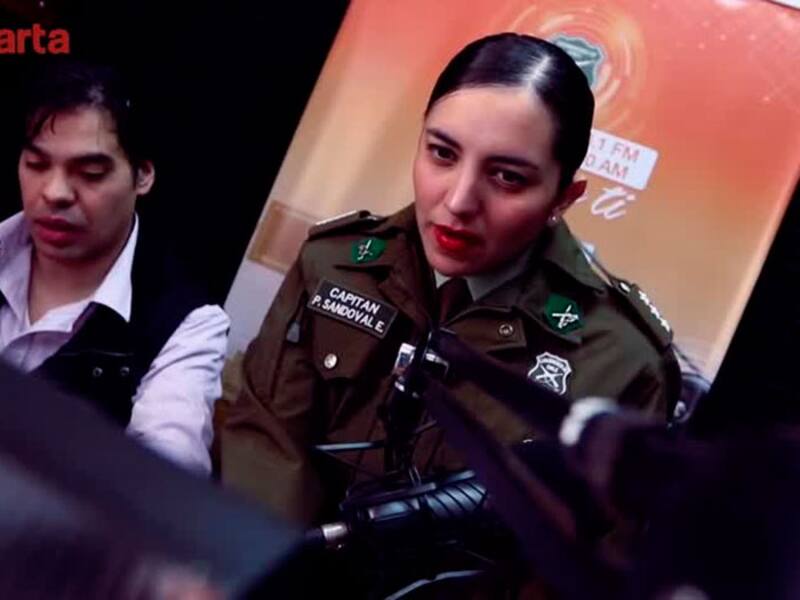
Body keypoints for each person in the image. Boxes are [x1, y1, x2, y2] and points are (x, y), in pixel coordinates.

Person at [222, 33, 681, 524]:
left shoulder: (622, 362)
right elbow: (264, 446)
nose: (459, 201)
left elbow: (587, 550)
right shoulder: (332, 263)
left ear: (563, 199)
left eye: (507, 177)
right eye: (443, 153)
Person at [0, 60, 229, 475]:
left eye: (90, 173)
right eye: (36, 164)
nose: (54, 192)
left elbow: (164, 478)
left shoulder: (187, 325)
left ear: (142, 176)